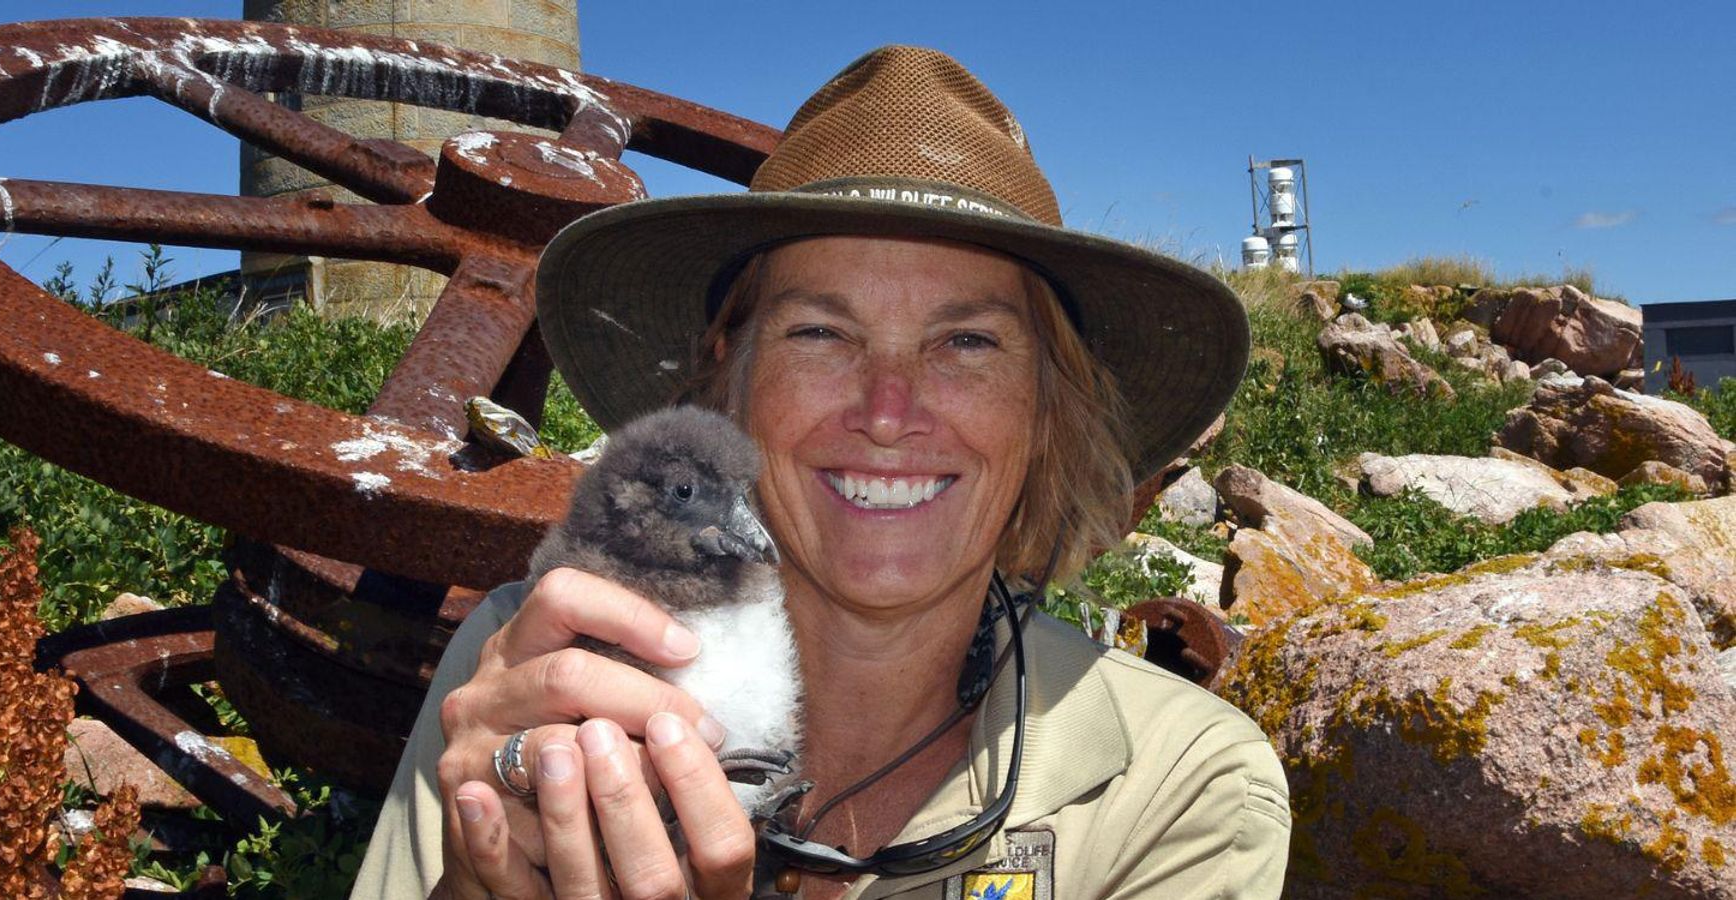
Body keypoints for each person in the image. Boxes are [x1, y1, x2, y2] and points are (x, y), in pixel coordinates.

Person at [351, 46, 1289, 900]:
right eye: (820, 333)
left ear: (1046, 411)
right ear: (728, 384)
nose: (886, 410)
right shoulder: (530, 670)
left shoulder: (1178, 787)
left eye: (967, 341)